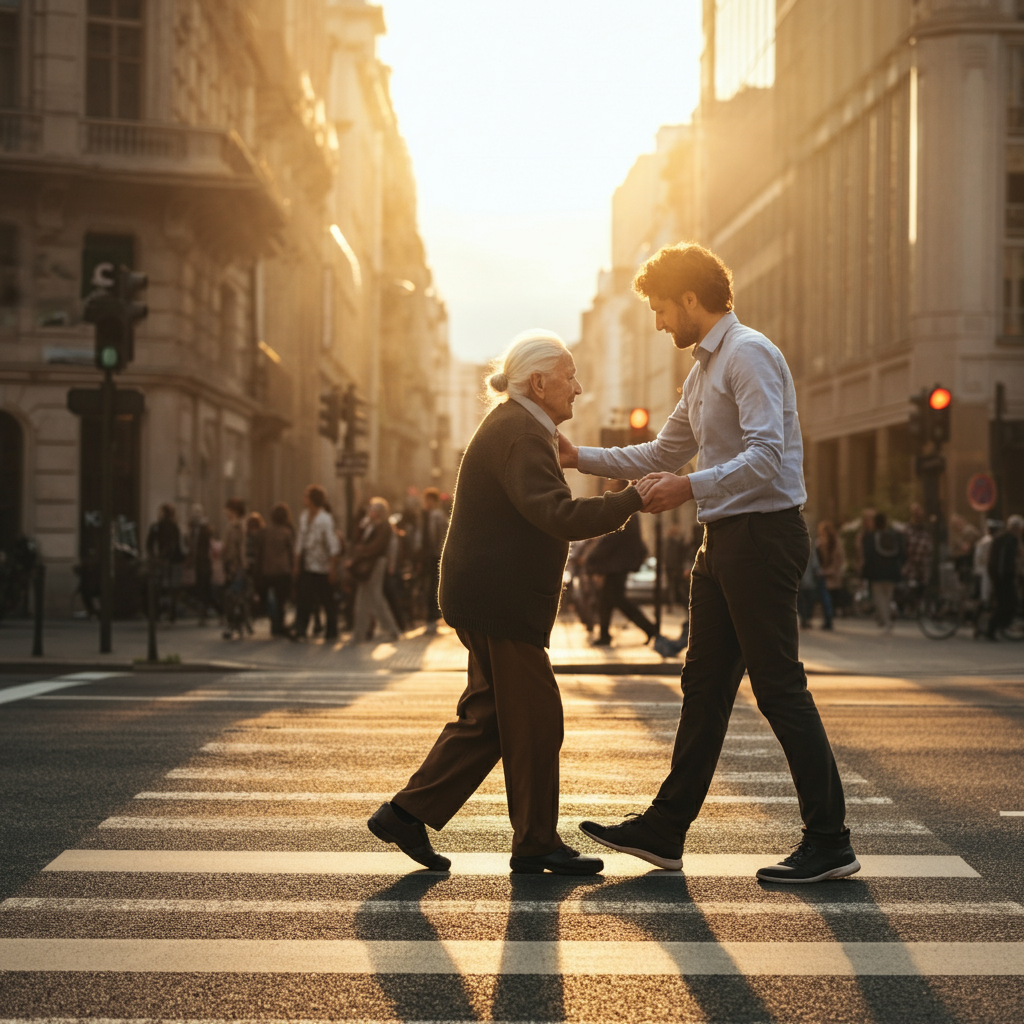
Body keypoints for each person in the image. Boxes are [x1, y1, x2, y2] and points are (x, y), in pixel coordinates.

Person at [558, 243, 857, 884]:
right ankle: (666, 830)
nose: (659, 323)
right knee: (704, 687)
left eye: (663, 310)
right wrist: (576, 456)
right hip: (723, 542)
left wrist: (690, 488)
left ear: (691, 299)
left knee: (778, 687)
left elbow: (767, 456)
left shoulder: (747, 355)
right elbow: (663, 450)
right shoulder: (702, 370)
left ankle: (830, 840)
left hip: (763, 537)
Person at [367, 329, 643, 876]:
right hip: (500, 601)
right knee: (537, 719)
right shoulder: (520, 431)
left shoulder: (520, 426)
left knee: (491, 718)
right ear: (538, 383)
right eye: (569, 377)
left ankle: (406, 813)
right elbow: (556, 515)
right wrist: (630, 499)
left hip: (488, 595)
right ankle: (536, 841)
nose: (579, 388)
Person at [585, 511, 658, 646]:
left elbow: (611, 540)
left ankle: (650, 628)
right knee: (607, 602)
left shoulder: (624, 510)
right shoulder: (629, 511)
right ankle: (605, 635)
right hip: (618, 564)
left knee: (618, 600)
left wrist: (592, 558)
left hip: (617, 566)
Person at [348, 497, 401, 643]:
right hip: (369, 564)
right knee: (363, 599)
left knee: (374, 598)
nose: (369, 512)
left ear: (378, 512)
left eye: (372, 509)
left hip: (376, 564)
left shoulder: (384, 526)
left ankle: (391, 630)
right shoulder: (370, 525)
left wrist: (361, 550)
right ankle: (359, 633)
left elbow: (376, 547)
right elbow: (358, 539)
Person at [291, 485, 339, 641]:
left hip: (322, 567)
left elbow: (333, 545)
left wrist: (332, 568)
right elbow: (300, 541)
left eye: (306, 496)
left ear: (312, 500)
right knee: (303, 599)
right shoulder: (304, 517)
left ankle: (332, 631)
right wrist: (297, 564)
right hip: (308, 565)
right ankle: (300, 630)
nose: (303, 499)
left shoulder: (325, 519)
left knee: (327, 600)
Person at [861, 510, 904, 632]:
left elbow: (867, 555)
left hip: (876, 573)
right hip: (892, 572)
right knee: (888, 597)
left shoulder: (870, 536)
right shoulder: (895, 535)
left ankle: (885, 621)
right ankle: (888, 617)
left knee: (879, 599)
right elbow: (901, 553)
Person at [987, 514, 1023, 639]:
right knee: (1009, 603)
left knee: (1003, 603)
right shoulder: (1010, 539)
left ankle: (996, 627)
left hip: (998, 576)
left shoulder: (1001, 537)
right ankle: (993, 628)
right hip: (1004, 577)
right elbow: (1006, 560)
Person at [261, 503, 295, 636]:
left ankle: (274, 622)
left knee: (270, 599)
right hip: (283, 570)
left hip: (267, 570)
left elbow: (260, 551)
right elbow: (291, 551)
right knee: (281, 600)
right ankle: (278, 624)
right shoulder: (287, 532)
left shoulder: (265, 531)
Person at [146, 503, 183, 622]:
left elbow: (173, 545)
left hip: (169, 561)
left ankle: (165, 613)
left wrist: (158, 557)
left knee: (166, 588)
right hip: (169, 561)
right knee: (169, 588)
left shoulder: (168, 526)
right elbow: (150, 544)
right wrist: (157, 557)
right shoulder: (165, 526)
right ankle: (167, 613)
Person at [418, 487, 448, 633]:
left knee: (432, 586)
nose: (426, 503)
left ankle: (432, 617)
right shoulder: (424, 515)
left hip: (434, 557)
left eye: (429, 500)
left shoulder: (437, 516)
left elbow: (441, 536)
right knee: (427, 586)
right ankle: (429, 617)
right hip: (426, 557)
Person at [221, 498, 248, 639]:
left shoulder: (238, 526)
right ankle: (237, 625)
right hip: (231, 567)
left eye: (228, 509)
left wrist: (241, 568)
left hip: (236, 567)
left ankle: (234, 625)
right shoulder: (232, 526)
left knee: (232, 597)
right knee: (234, 597)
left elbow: (240, 549)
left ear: (234, 511)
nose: (226, 512)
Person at [186, 504, 213, 625]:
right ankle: (202, 612)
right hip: (196, 561)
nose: (196, 515)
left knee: (204, 587)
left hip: (204, 561)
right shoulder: (192, 527)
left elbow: (207, 545)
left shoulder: (205, 527)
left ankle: (204, 612)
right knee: (199, 587)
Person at [816, 519, 845, 627]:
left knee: (828, 598)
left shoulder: (836, 543)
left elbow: (839, 559)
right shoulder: (820, 543)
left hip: (832, 575)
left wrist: (830, 570)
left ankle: (829, 619)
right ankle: (828, 619)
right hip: (823, 575)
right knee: (825, 598)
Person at [902, 502, 933, 593]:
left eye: (918, 511)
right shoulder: (907, 528)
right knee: (909, 591)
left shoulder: (926, 528)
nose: (916, 514)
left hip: (923, 565)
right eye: (914, 512)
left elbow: (929, 546)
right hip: (910, 565)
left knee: (922, 590)